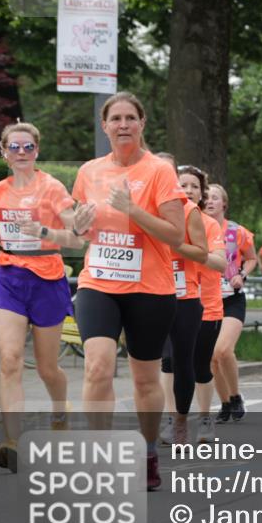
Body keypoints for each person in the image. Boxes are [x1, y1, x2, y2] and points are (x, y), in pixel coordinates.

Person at [69, 92, 186, 491]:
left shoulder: (159, 172)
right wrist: (78, 224)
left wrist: (134, 209)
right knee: (97, 365)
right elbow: (76, 222)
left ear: (142, 124)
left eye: (129, 118)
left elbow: (176, 234)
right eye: (115, 119)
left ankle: (149, 452)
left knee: (144, 379)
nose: (122, 125)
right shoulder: (89, 171)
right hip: (98, 282)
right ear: (104, 126)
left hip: (150, 287)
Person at [0, 122, 89, 471]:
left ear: (37, 151)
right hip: (9, 276)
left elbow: (76, 238)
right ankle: (11, 441)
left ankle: (60, 409)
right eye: (15, 147)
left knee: (47, 367)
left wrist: (43, 230)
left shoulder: (52, 188)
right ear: (4, 152)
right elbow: (3, 226)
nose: (22, 153)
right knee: (9, 359)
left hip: (47, 277)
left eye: (28, 147)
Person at [153, 154, 210, 445]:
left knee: (181, 360)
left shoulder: (188, 210)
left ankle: (180, 421)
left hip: (183, 296)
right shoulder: (139, 207)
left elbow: (201, 253)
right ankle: (160, 419)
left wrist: (175, 242)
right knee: (156, 361)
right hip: (148, 293)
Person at [178, 165, 226, 443]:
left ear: (201, 192)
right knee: (170, 364)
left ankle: (205, 418)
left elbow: (219, 263)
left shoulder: (208, 224)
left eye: (194, 186)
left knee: (199, 365)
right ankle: (175, 420)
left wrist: (191, 250)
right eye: (182, 185)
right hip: (168, 301)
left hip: (205, 304)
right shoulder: (161, 220)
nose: (188, 190)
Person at [206, 184, 257, 422]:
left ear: (224, 204)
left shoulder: (236, 231)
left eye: (215, 198)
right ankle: (225, 402)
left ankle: (235, 396)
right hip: (205, 297)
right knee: (211, 357)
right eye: (206, 198)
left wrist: (242, 275)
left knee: (223, 350)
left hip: (232, 298)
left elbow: (252, 258)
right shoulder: (196, 229)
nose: (210, 201)